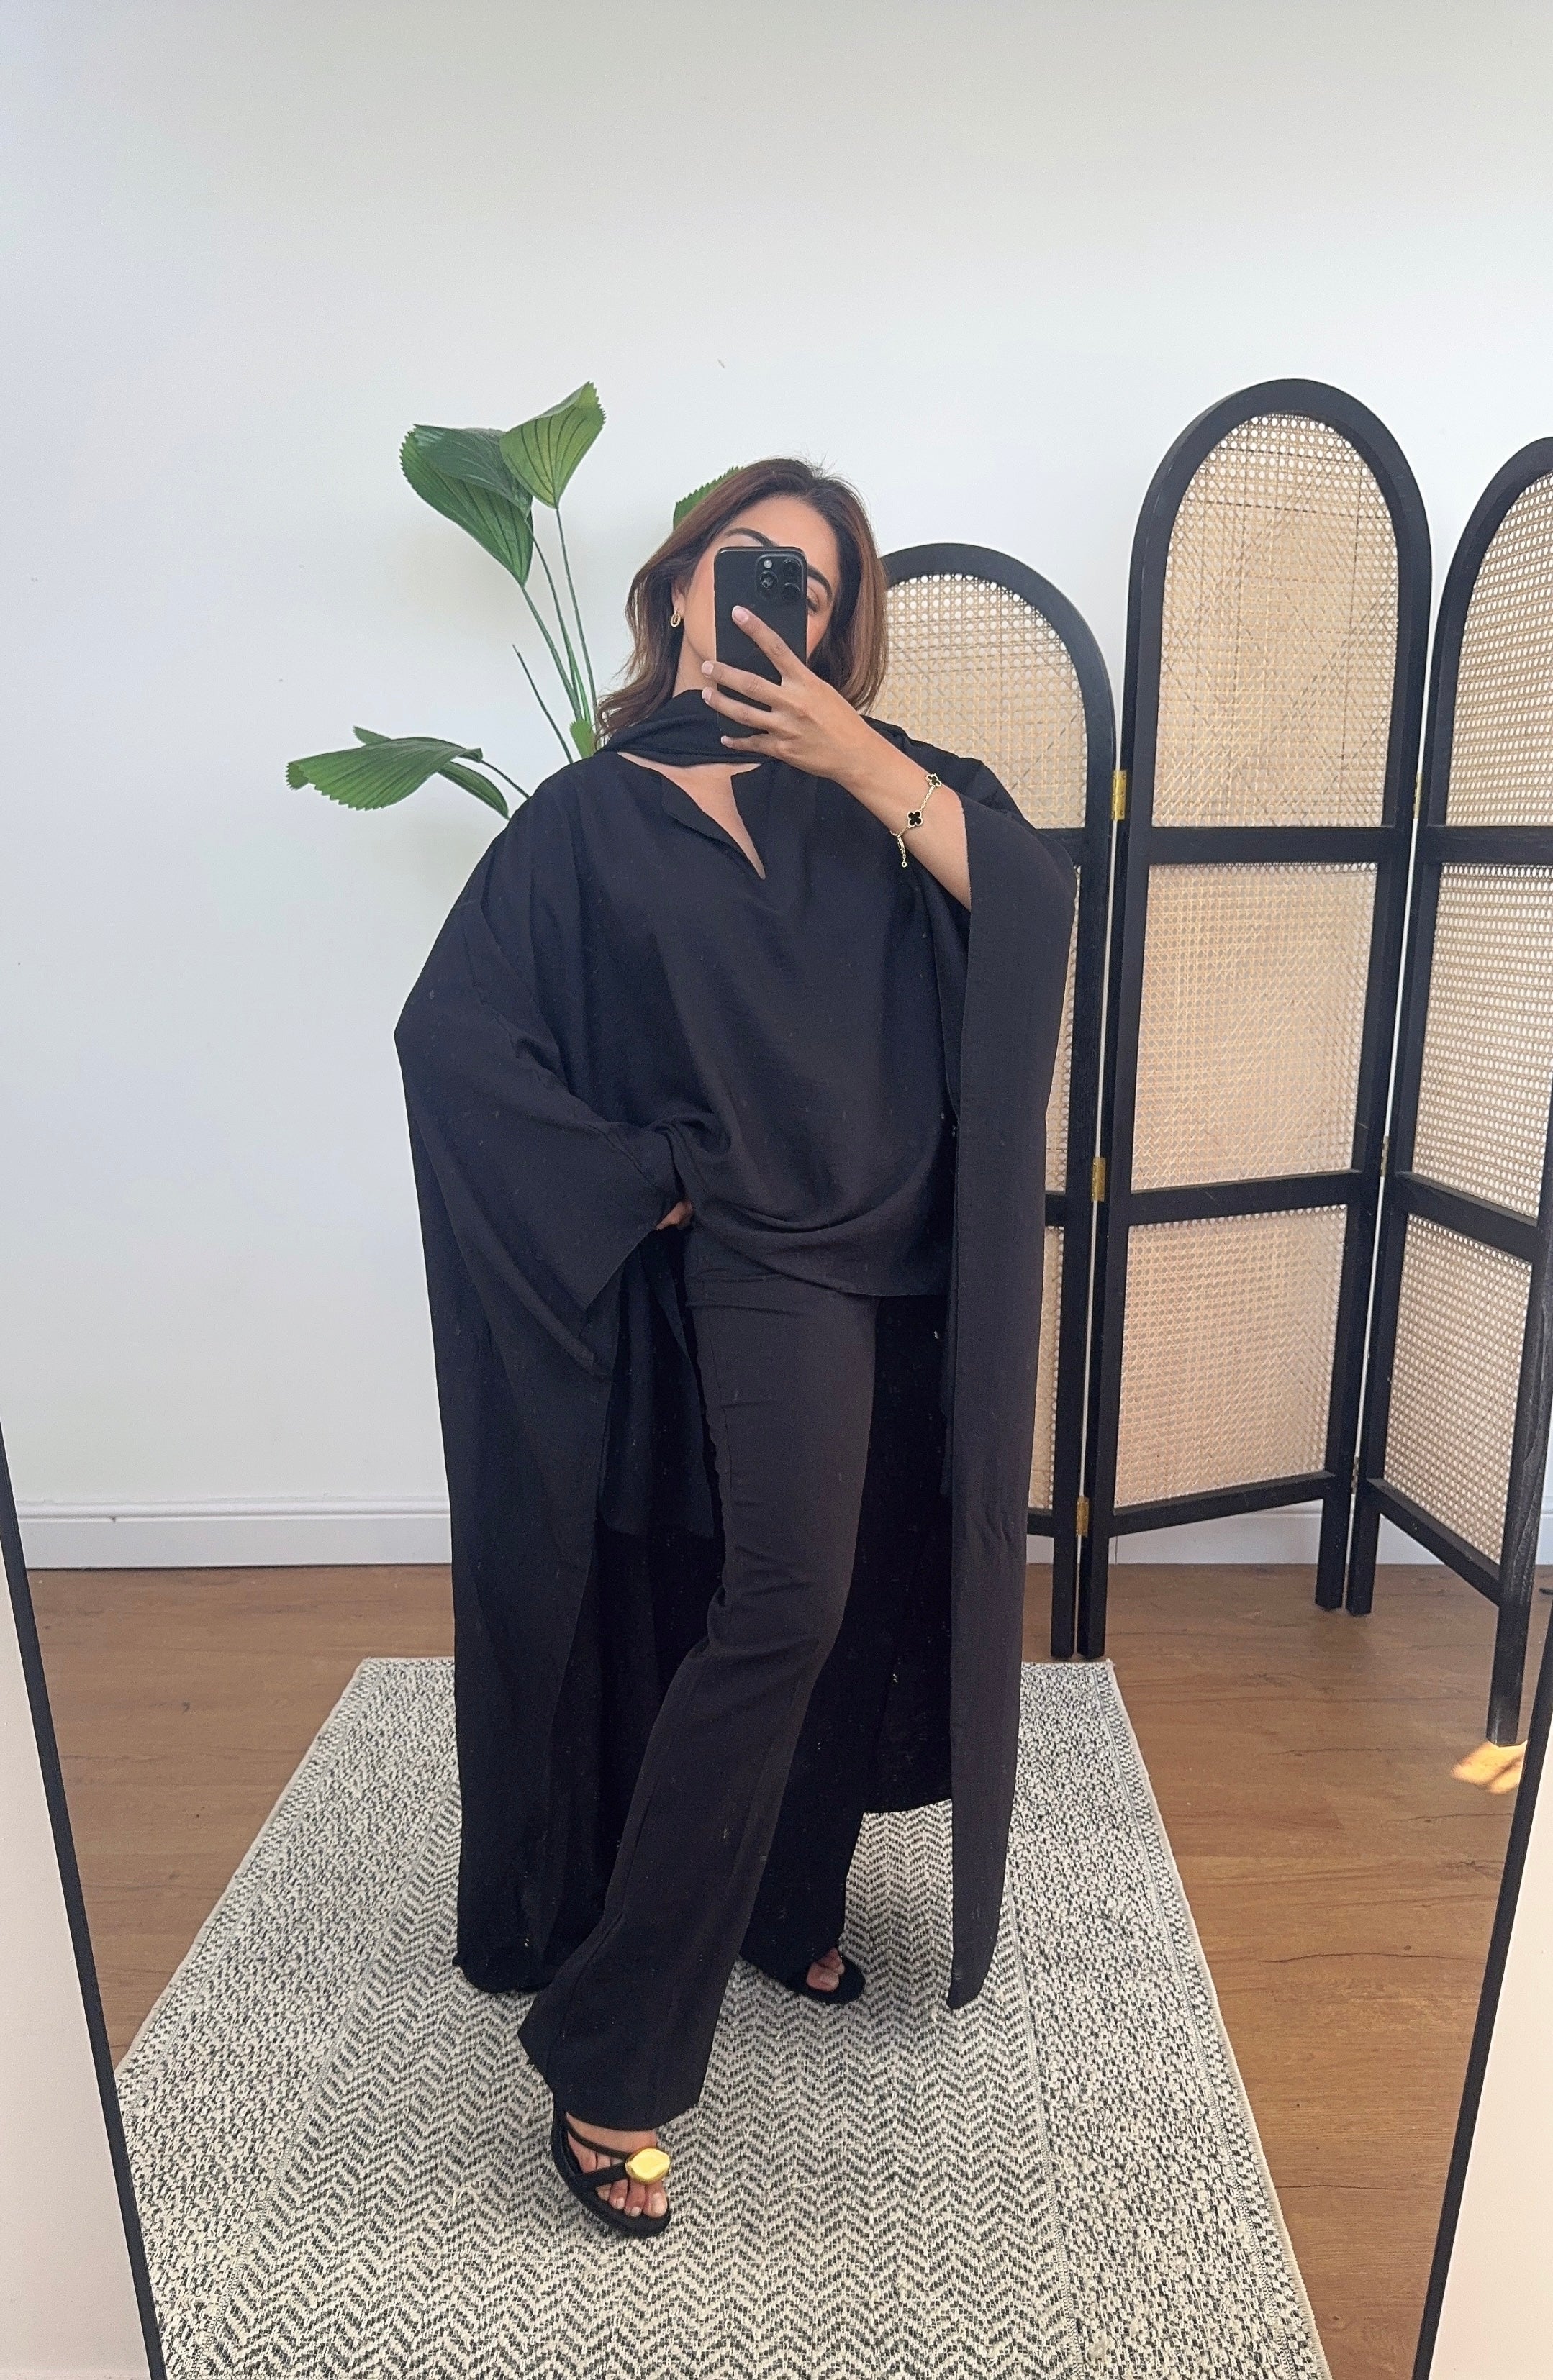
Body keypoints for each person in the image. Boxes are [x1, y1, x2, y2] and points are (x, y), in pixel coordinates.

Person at [395, 459, 1074, 2238]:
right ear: (682, 585)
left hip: (920, 1256)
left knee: (864, 1580)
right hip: (764, 1259)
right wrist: (641, 1180)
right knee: (782, 1598)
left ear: (836, 630)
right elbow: (452, 1038)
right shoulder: (583, 819)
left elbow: (1031, 910)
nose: (775, 592)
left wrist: (857, 757)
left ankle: (781, 1901)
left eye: (814, 582)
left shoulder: (880, 782)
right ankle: (610, 2045)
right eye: (748, 560)